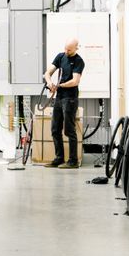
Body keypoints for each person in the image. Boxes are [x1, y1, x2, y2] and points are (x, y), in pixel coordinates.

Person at [43, 38, 85, 169]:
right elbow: (47, 73)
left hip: (70, 98)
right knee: (55, 129)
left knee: (69, 130)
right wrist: (49, 82)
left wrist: (59, 85)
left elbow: (75, 81)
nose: (66, 51)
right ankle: (59, 158)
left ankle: (73, 161)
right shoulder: (60, 56)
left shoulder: (79, 61)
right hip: (59, 98)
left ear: (76, 48)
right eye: (65, 48)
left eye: (70, 50)